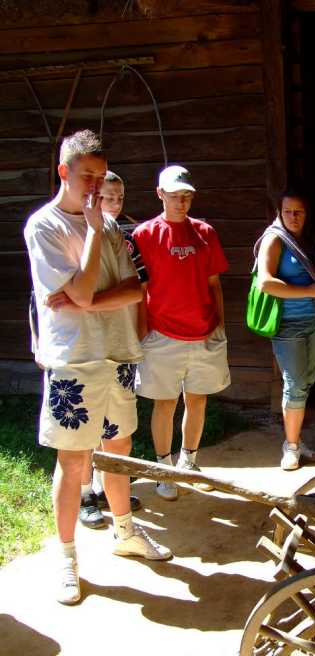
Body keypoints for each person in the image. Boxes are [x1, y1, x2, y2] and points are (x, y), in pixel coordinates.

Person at [24, 130, 172, 605]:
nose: (95, 185)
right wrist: (90, 237)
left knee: (119, 448)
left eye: (101, 176)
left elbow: (134, 289)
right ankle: (67, 558)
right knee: (73, 462)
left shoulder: (108, 225)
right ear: (64, 172)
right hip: (75, 359)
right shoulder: (44, 226)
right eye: (87, 175)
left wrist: (85, 301)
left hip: (117, 352)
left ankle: (125, 532)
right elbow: (86, 290)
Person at [133, 165, 230, 500]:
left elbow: (214, 283)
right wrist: (142, 332)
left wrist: (219, 326)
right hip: (163, 333)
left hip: (203, 332)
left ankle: (189, 462)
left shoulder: (205, 232)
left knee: (198, 399)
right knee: (165, 403)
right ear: (160, 194)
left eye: (187, 196)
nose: (182, 202)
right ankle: (164, 470)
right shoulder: (144, 235)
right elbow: (138, 288)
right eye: (175, 196)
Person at [78, 170, 148, 529]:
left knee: (115, 427)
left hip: (119, 343)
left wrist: (138, 328)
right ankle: (85, 494)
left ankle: (109, 488)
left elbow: (139, 288)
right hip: (88, 345)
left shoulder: (123, 238)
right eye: (108, 197)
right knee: (86, 426)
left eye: (120, 198)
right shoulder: (78, 235)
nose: (115, 204)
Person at [255, 189, 315, 470]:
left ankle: (296, 439)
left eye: (298, 212)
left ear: (306, 214)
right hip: (288, 323)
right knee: (295, 385)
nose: (293, 216)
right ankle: (290, 447)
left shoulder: (309, 242)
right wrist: (309, 291)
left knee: (305, 383)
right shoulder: (275, 239)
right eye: (287, 211)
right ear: (279, 212)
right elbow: (265, 283)